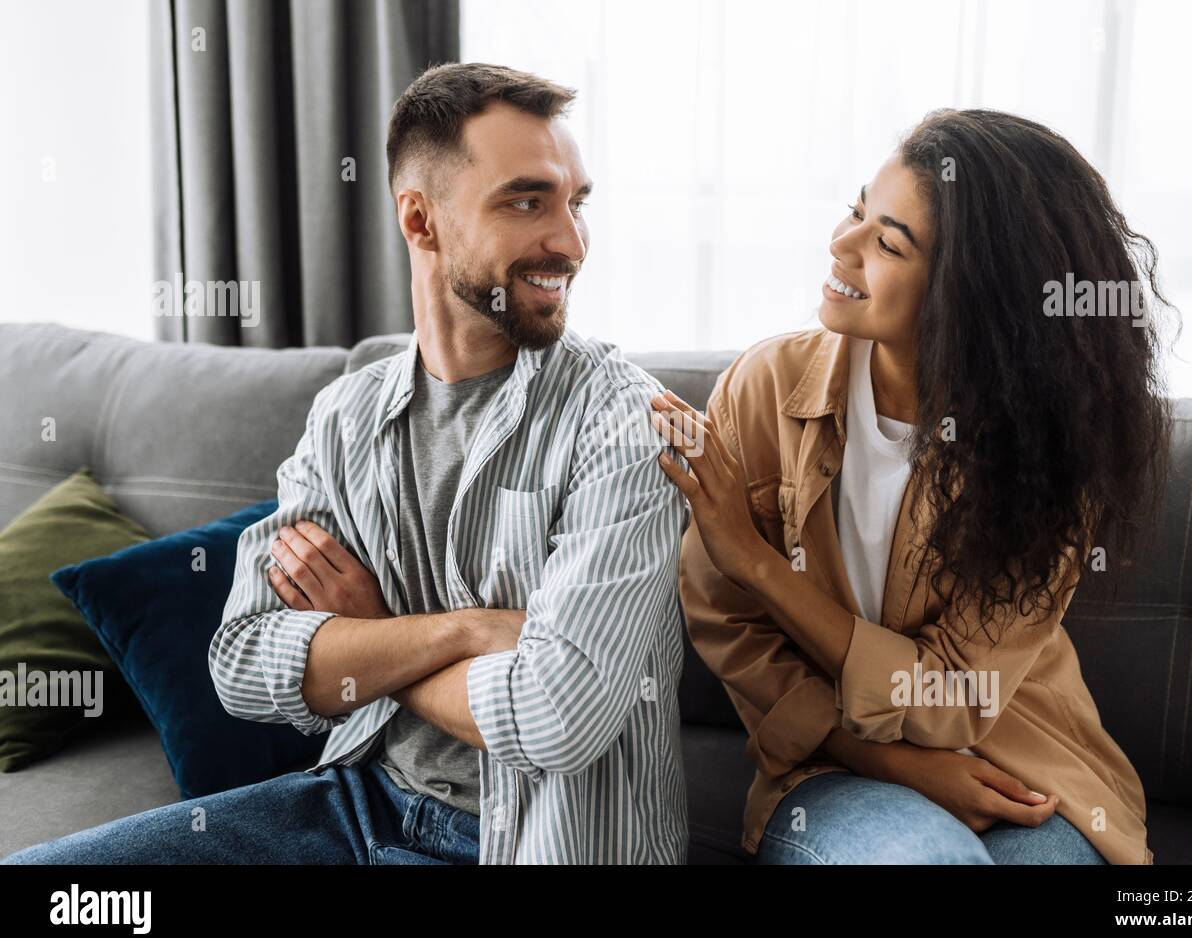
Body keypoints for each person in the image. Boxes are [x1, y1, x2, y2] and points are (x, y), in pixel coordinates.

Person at [4, 63, 688, 866]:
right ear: (421, 221)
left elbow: (556, 716)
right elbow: (243, 661)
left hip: (525, 844)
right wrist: (461, 632)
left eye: (576, 204)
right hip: (356, 805)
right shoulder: (346, 415)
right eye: (527, 200)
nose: (570, 242)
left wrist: (367, 643)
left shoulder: (624, 424)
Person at [657, 108, 1169, 865]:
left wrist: (760, 564)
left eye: (888, 242)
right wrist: (895, 764)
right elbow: (731, 629)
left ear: (969, 297)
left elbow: (955, 701)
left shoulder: (1052, 450)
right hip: (831, 766)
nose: (842, 244)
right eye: (859, 210)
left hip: (1019, 758)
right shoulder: (764, 390)